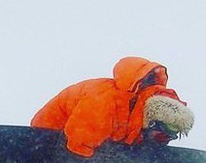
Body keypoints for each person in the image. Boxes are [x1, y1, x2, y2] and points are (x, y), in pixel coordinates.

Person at [31, 56, 194, 157]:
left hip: (91, 138)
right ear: (151, 122)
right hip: (45, 137)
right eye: (160, 136)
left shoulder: (136, 115)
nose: (162, 143)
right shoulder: (105, 103)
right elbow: (78, 146)